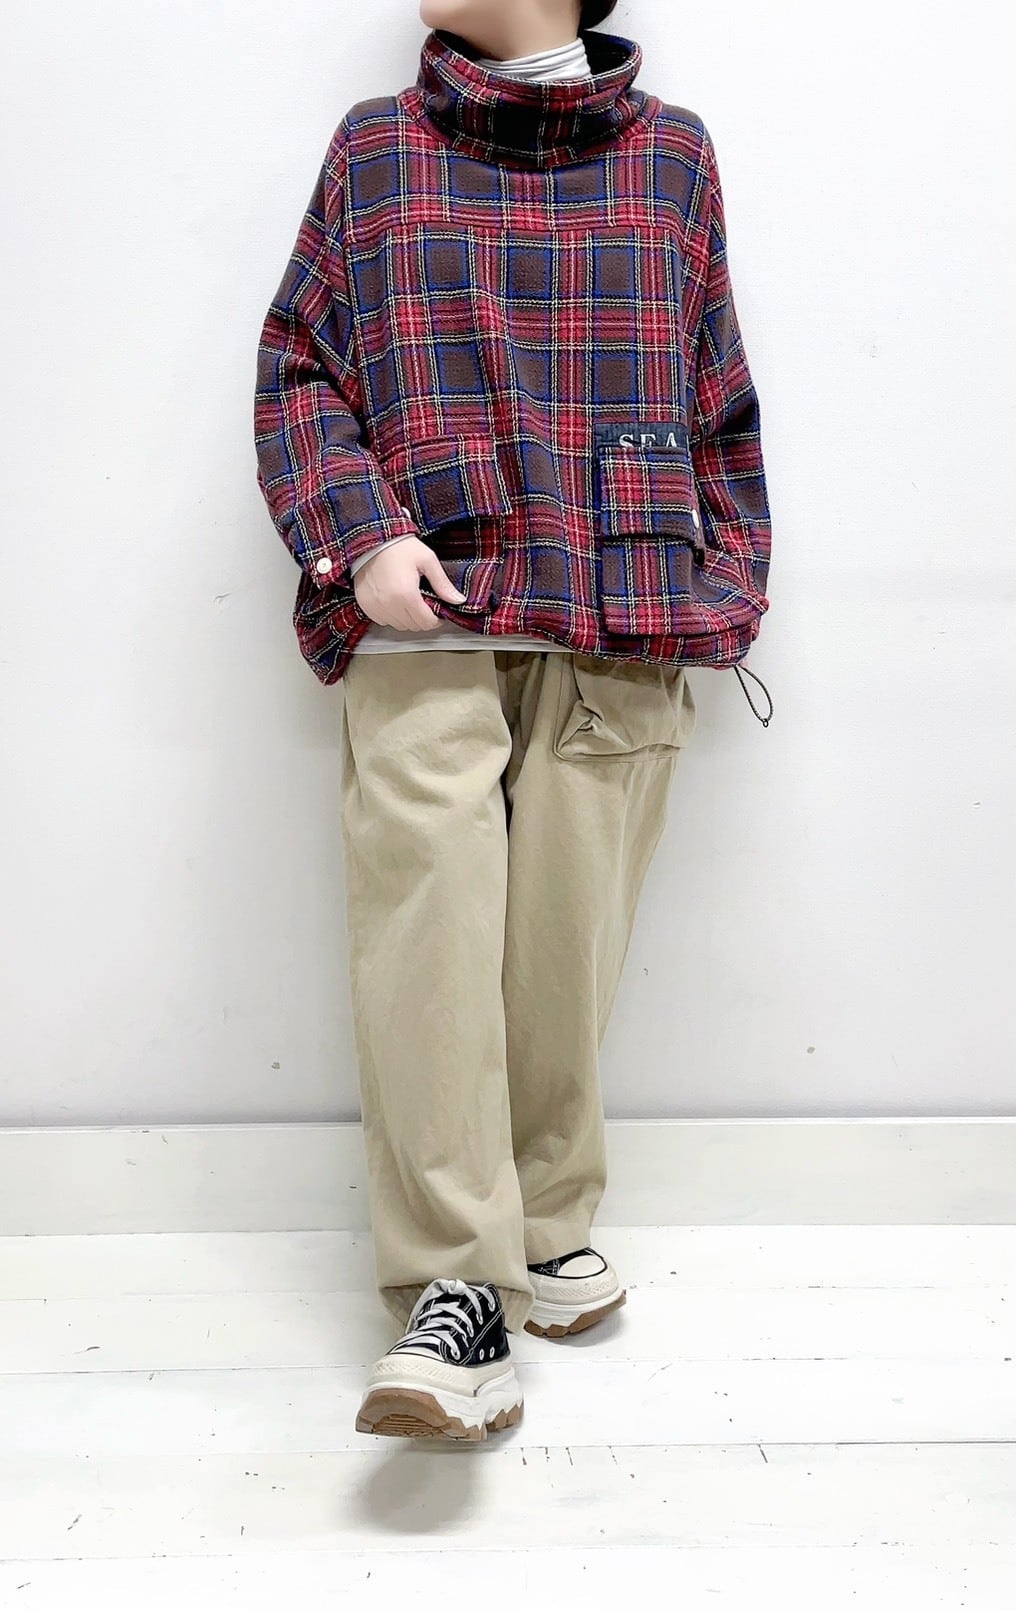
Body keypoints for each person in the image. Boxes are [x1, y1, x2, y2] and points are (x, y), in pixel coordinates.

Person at [253, 0, 772, 1441]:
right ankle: (453, 1292)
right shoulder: (378, 149)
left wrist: (725, 585)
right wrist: (358, 535)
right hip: (428, 617)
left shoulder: (673, 157)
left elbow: (718, 394)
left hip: (620, 615)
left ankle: (546, 1217)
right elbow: (299, 366)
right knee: (425, 940)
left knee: (564, 942)